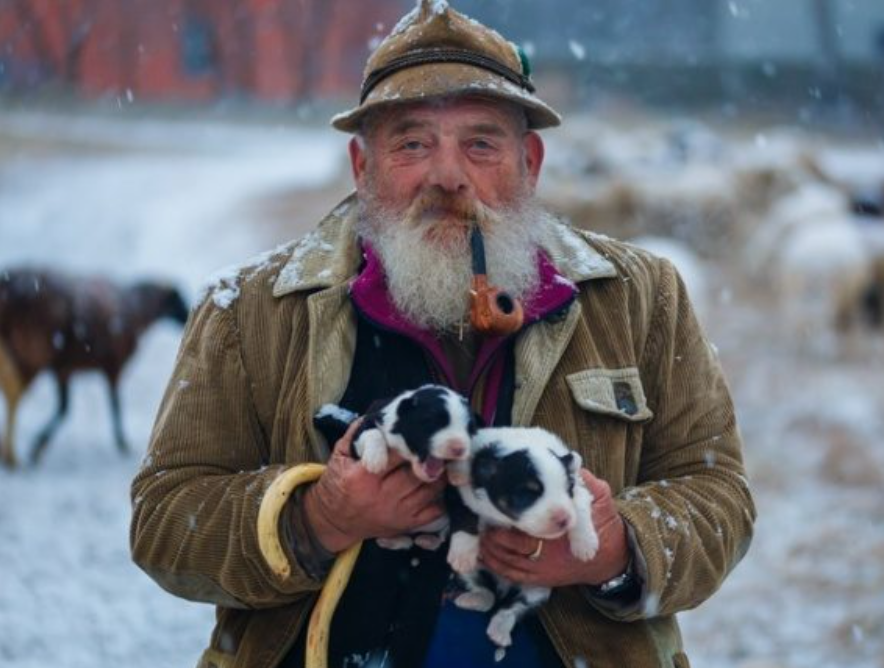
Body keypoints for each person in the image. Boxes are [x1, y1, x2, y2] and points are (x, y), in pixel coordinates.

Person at [130, 2, 755, 667]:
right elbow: (165, 520)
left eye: (481, 143)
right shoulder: (249, 310)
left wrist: (614, 551)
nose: (448, 175)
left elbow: (718, 497)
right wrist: (318, 518)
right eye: (412, 142)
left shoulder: (639, 297)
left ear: (530, 161)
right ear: (361, 166)